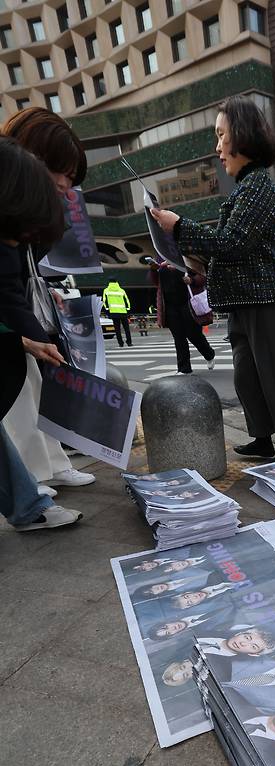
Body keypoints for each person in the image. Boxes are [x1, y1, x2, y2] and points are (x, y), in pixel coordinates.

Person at [151, 95, 275, 462]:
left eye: (221, 135)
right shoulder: (247, 187)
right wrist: (186, 253)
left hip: (270, 300)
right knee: (249, 377)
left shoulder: (258, 183)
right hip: (247, 300)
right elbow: (229, 248)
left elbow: (233, 244)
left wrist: (180, 226)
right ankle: (262, 438)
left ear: (241, 135)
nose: (218, 147)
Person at [1, 108, 96, 491]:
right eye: (62, 172)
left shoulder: (23, 201)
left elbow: (18, 272)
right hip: (8, 321)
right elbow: (5, 280)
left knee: (37, 386)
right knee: (20, 390)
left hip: (16, 311)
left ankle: (51, 465)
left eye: (71, 178)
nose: (65, 185)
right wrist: (31, 332)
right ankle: (31, 481)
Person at [150, 258, 216, 374]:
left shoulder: (185, 257)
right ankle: (184, 369)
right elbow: (156, 283)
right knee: (179, 338)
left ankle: (209, 354)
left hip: (188, 303)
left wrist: (191, 280)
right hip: (170, 305)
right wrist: (153, 270)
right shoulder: (159, 259)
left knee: (194, 334)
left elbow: (203, 277)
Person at [102, 278, 132, 347]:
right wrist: (128, 311)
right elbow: (127, 301)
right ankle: (129, 342)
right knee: (126, 329)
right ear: (117, 282)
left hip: (114, 313)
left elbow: (104, 302)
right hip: (123, 312)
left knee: (117, 329)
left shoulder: (106, 291)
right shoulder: (121, 290)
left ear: (109, 282)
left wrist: (107, 311)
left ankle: (120, 343)